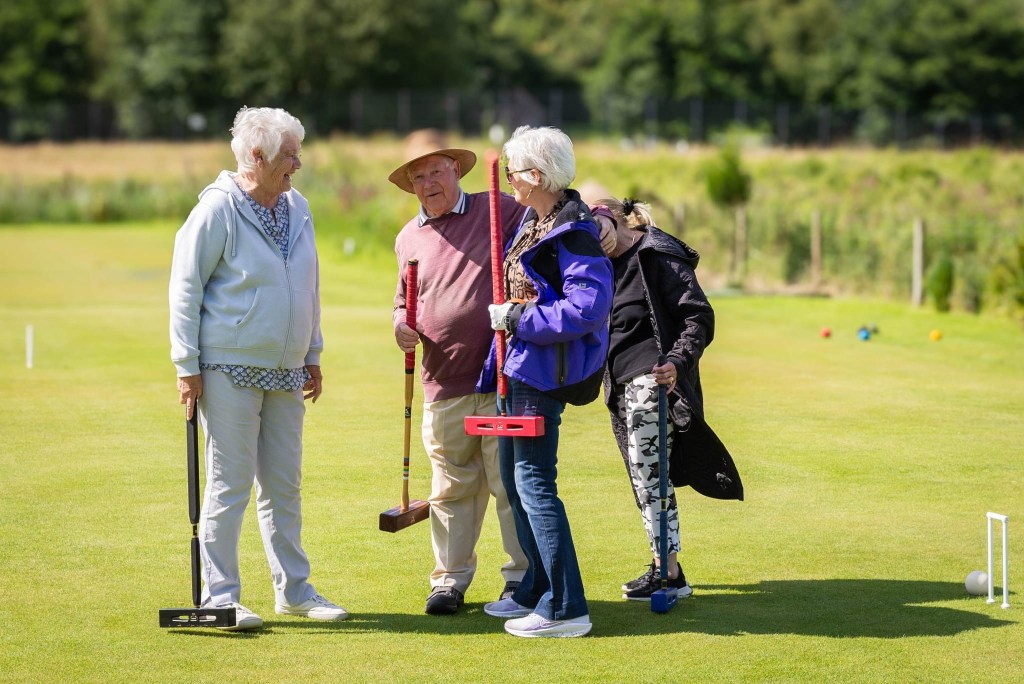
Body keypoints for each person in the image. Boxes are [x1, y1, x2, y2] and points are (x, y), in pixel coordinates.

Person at [169, 106, 347, 631]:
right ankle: (220, 596)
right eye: (289, 155)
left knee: (284, 486)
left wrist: (312, 353)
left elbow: (309, 285)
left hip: (287, 367)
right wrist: (186, 364)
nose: (298, 164)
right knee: (230, 486)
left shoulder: (298, 206)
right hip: (227, 365)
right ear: (257, 156)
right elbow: (185, 287)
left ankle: (295, 591)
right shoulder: (217, 209)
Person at [389, 132, 530, 616]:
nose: (428, 182)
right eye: (418, 176)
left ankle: (521, 580)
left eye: (436, 170)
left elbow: (548, 221)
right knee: (450, 489)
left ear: (456, 170)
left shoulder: (499, 209)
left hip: (498, 376)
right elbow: (403, 301)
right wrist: (401, 324)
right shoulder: (408, 237)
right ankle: (449, 581)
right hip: (441, 382)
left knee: (508, 484)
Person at [480, 125, 613, 638]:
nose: (509, 181)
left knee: (535, 485)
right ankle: (535, 587)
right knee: (516, 483)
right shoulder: (535, 221)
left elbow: (586, 308)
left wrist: (517, 318)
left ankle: (566, 608)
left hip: (541, 373)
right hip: (516, 369)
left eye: (514, 172)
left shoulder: (574, 232)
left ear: (536, 175)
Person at [590, 197, 743, 602]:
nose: (595, 238)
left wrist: (676, 361)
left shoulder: (656, 252)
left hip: (653, 378)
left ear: (616, 218)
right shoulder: (598, 264)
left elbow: (698, 316)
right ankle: (666, 566)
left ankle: (668, 572)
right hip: (617, 385)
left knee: (649, 474)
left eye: (598, 226)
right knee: (642, 475)